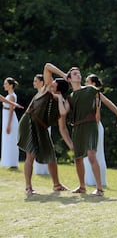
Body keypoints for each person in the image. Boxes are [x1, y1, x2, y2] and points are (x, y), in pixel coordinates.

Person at [64, 67, 117, 196]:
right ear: (69, 79)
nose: (78, 75)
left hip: (91, 126)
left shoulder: (90, 90)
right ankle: (82, 186)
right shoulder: (70, 97)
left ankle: (99, 188)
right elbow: (63, 112)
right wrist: (57, 97)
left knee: (91, 155)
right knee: (78, 158)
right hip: (77, 128)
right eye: (75, 74)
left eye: (79, 73)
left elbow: (106, 101)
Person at [18, 63, 73, 195]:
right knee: (30, 154)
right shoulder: (47, 87)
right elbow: (47, 66)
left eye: (54, 83)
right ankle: (28, 187)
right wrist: (64, 75)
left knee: (50, 155)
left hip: (41, 127)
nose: (51, 82)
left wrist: (59, 98)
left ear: (58, 89)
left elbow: (62, 123)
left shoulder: (60, 102)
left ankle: (56, 185)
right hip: (29, 121)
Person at [83, 74, 107, 186]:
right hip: (87, 126)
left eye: (87, 81)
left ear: (93, 84)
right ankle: (88, 179)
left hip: (94, 127)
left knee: (96, 154)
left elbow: (97, 115)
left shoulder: (96, 96)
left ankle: (97, 181)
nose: (85, 83)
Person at [31, 74, 50, 175]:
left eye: (36, 81)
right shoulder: (36, 95)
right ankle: (39, 169)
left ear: (42, 82)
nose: (34, 83)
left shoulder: (45, 93)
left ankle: (45, 169)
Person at [1, 77, 20, 169]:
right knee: (7, 141)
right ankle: (7, 162)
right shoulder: (9, 96)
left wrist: (8, 125)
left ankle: (12, 163)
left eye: (6, 84)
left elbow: (11, 111)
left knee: (11, 141)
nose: (4, 85)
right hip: (6, 117)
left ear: (11, 85)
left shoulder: (12, 96)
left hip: (10, 119)